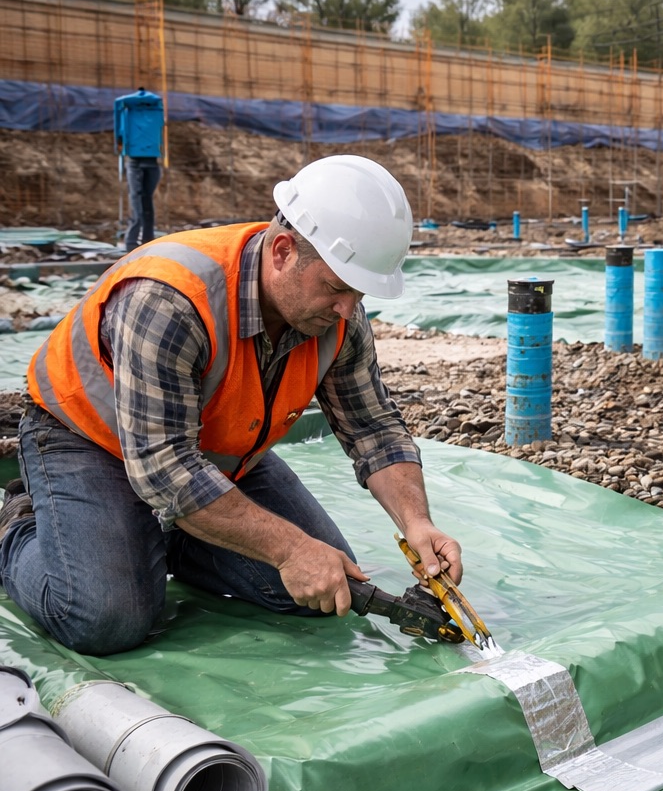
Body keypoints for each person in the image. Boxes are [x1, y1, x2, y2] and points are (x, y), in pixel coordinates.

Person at [0, 154, 461, 656]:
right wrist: (288, 548)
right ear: (283, 250)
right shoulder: (171, 299)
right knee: (107, 617)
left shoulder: (336, 315)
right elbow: (166, 469)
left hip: (212, 452)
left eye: (358, 292)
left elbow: (373, 428)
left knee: (319, 590)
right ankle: (19, 525)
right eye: (336, 288)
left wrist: (418, 524)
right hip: (88, 441)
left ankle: (164, 533)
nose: (348, 310)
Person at [114, 87, 165, 250]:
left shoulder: (127, 108)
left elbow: (119, 130)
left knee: (139, 200)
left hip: (139, 161)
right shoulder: (155, 108)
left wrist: (119, 144)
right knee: (143, 201)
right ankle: (138, 242)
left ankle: (139, 242)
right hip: (147, 161)